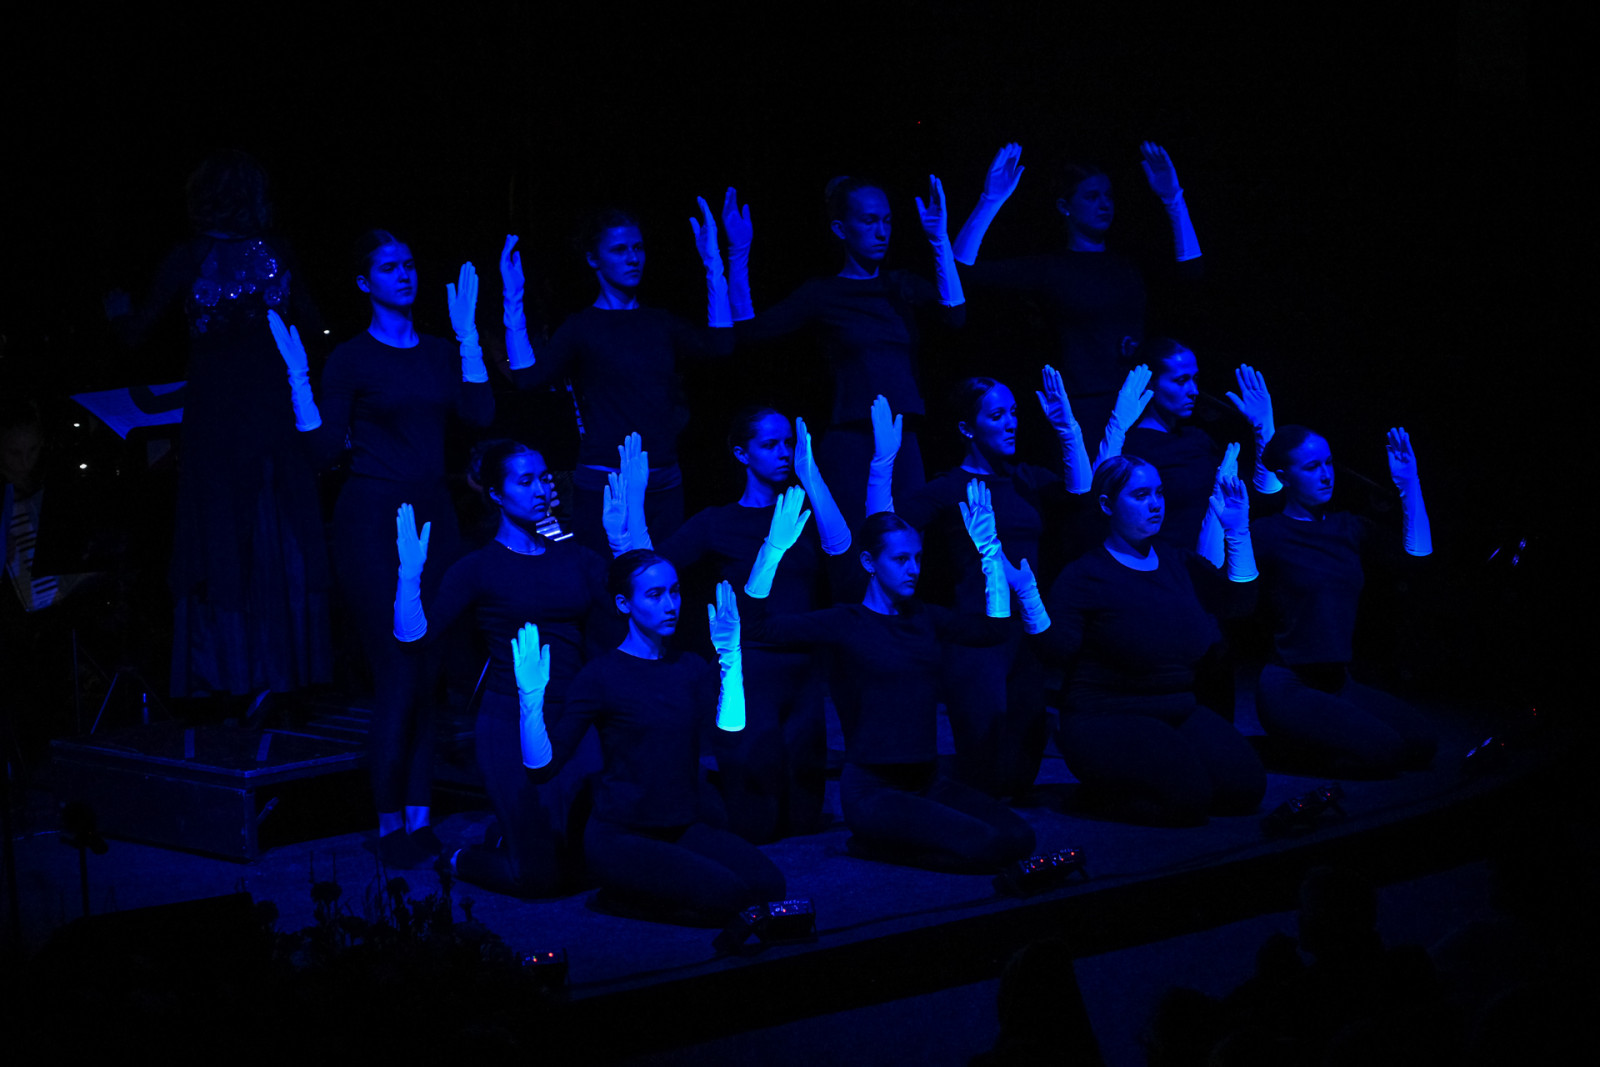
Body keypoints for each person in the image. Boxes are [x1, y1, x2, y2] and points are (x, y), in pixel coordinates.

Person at [267, 230, 493, 865]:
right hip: (373, 520)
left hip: (436, 517)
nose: (405, 274)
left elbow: (480, 415)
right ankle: (388, 822)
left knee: (427, 673)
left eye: (410, 264)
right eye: (389, 267)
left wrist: (469, 337)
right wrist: (299, 381)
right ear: (365, 283)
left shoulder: (440, 351)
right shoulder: (353, 359)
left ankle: (419, 817)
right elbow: (322, 453)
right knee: (396, 668)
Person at [107, 150, 331, 704]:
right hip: (273, 407)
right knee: (278, 525)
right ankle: (285, 670)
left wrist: (116, 312)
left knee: (221, 530)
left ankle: (231, 674)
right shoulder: (277, 252)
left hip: (217, 415)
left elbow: (137, 334)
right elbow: (313, 325)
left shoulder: (188, 257)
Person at [742, 487, 1039, 872]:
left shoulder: (926, 617)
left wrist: (990, 554)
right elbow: (756, 627)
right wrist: (772, 551)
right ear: (869, 562)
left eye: (917, 558)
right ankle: (870, 845)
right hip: (873, 790)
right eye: (900, 559)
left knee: (1021, 837)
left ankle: (883, 843)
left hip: (928, 781)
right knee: (986, 847)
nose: (913, 569)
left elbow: (994, 631)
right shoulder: (846, 622)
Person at [392, 441, 613, 894]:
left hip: (573, 717)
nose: (541, 490)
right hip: (510, 719)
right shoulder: (478, 567)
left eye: (544, 479)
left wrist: (629, 542)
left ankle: (504, 835)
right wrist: (409, 577)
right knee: (539, 880)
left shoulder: (576, 557)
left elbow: (631, 612)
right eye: (525, 481)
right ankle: (460, 859)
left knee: (592, 863)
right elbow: (415, 639)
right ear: (495, 493)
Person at [516, 557, 786, 923]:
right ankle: (616, 896)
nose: (670, 605)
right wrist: (531, 702)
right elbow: (543, 770)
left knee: (770, 887)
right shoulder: (601, 676)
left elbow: (730, 735)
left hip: (681, 825)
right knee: (730, 898)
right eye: (655, 595)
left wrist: (730, 659)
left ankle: (647, 889)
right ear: (624, 604)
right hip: (621, 836)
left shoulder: (688, 666)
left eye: (675, 592)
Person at [878, 369, 1091, 797]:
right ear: (967, 428)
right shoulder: (948, 488)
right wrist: (882, 467)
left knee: (1020, 775)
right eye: (997, 416)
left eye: (1014, 413)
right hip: (975, 639)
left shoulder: (1027, 479)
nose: (1011, 423)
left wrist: (1068, 430)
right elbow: (885, 530)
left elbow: (1082, 492)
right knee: (984, 775)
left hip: (1028, 636)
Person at [656, 408, 852, 842]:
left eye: (789, 443)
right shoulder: (718, 522)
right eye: (770, 444)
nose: (783, 453)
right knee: (756, 825)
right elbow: (652, 568)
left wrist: (812, 477)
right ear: (742, 454)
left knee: (804, 822)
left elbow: (845, 555)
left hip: (803, 669)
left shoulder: (805, 513)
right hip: (750, 671)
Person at [1042, 456, 1265, 825]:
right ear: (1107, 504)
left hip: (1177, 707)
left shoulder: (1180, 562)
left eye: (1159, 493)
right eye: (1140, 495)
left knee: (1245, 789)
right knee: (1189, 800)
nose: (1155, 504)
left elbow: (1239, 605)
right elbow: (1053, 654)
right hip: (1106, 716)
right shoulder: (1084, 576)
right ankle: (1097, 794)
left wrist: (1238, 532)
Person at [727, 176, 966, 520]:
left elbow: (955, 316)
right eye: (869, 221)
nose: (881, 232)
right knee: (856, 544)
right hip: (852, 442)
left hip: (904, 439)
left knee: (908, 541)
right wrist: (738, 254)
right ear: (840, 229)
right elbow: (749, 332)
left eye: (887, 221)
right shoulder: (823, 294)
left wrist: (939, 239)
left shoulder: (902, 285)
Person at [505, 199, 734, 552]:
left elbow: (721, 346)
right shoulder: (582, 327)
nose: (632, 258)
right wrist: (513, 301)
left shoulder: (660, 322)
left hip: (663, 483)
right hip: (604, 484)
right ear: (593, 259)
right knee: (604, 579)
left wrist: (714, 268)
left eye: (638, 248)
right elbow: (527, 379)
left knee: (663, 577)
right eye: (619, 249)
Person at [951, 142, 1205, 439]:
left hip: (1139, 402)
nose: (1104, 204)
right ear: (1064, 207)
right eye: (1092, 196)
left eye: (1109, 196)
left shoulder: (1129, 263)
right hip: (1085, 408)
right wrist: (990, 201)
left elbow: (1192, 271)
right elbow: (960, 271)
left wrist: (1174, 200)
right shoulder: (1050, 268)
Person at [1252, 426, 1438, 776]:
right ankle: (1281, 750)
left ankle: (1319, 735)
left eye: (1328, 463)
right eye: (1311, 467)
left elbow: (1416, 560)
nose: (1326, 475)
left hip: (1339, 682)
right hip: (1289, 685)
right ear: (1284, 477)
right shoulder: (1266, 533)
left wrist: (1409, 484)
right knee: (1386, 754)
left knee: (1423, 742)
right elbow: (1221, 585)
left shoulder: (1349, 527)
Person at [1115, 338, 1280, 555]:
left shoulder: (1197, 437)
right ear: (1150, 384)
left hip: (1222, 561)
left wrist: (1264, 429)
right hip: (1175, 565)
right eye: (1181, 380)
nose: (1193, 390)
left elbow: (1262, 496)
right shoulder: (1135, 449)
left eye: (1195, 379)